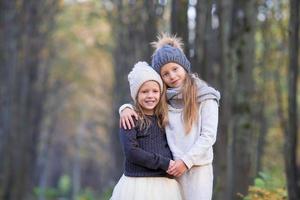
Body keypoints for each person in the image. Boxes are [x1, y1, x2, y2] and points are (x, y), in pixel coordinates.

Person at [119, 33, 220, 200]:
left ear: (184, 67)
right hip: (171, 171)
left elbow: (208, 136)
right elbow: (144, 102)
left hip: (196, 168)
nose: (172, 76)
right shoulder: (163, 99)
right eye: (165, 74)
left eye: (175, 69)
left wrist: (186, 162)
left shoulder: (205, 96)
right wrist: (125, 108)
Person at [110, 61, 182, 200]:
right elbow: (131, 152)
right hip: (138, 184)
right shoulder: (130, 118)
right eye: (144, 91)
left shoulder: (163, 117)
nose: (150, 95)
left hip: (165, 185)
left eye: (155, 91)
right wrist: (164, 163)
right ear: (136, 95)